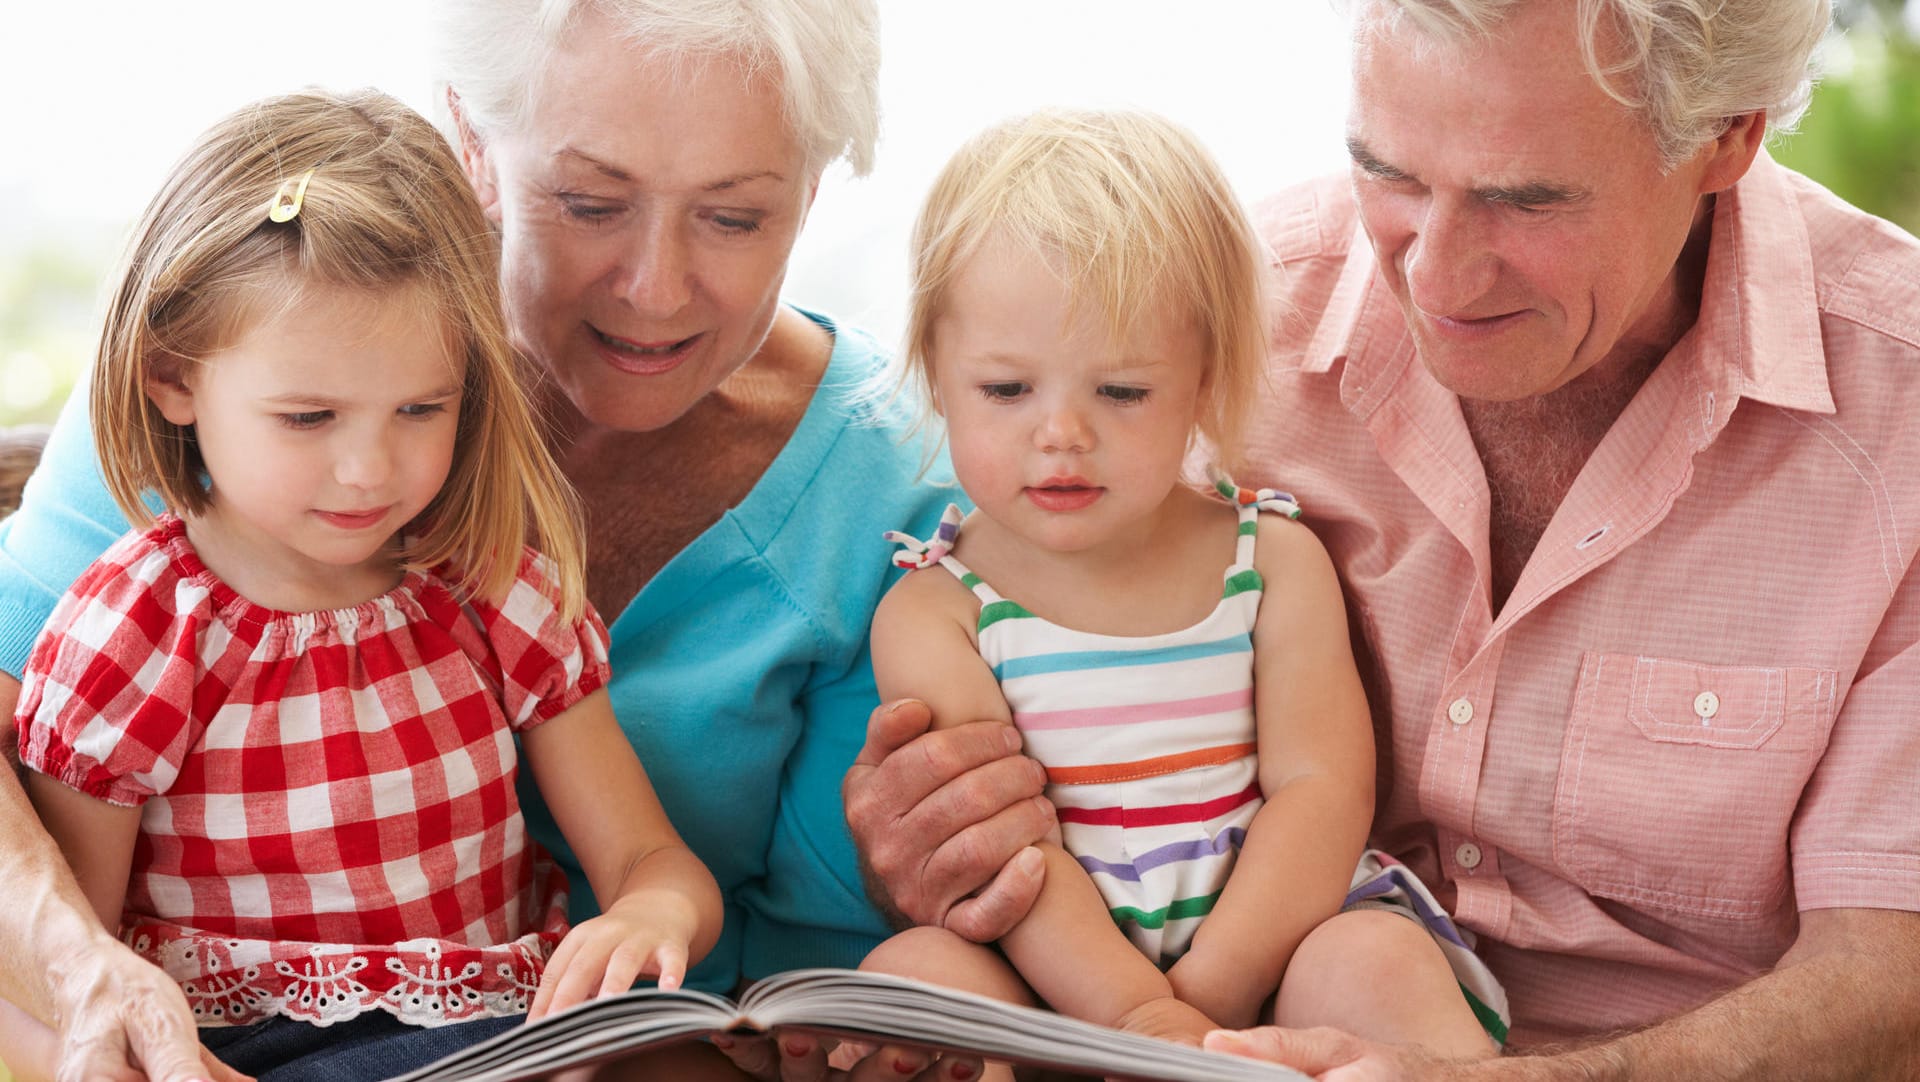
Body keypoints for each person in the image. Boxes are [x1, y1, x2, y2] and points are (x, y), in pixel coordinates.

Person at [846, 0, 1920, 1077]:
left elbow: (1890, 984)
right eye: (1391, 175)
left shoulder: (1900, 411)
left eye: (1523, 199)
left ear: (1727, 136)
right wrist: (950, 837)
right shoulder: (1192, 319)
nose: (1435, 280)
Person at [0, 2, 952, 1078]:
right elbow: (68, 919)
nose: (655, 286)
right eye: (591, 200)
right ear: (473, 144)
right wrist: (84, 989)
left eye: (734, 217)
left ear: (813, 190)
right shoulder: (203, 435)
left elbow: (790, 946)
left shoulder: (897, 491)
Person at [9, 87, 724, 1081]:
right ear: (174, 377)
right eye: (309, 417)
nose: (370, 470)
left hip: (507, 1032)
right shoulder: (138, 630)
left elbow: (652, 859)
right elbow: (69, 961)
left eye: (421, 407)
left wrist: (654, 909)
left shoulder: (490, 589)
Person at [855, 108, 1502, 1066]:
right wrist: (1133, 1021)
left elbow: (1321, 791)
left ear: (1204, 381)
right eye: (1005, 391)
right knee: (910, 982)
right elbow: (1002, 840)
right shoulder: (935, 610)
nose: (1062, 433)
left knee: (1373, 962)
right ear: (937, 378)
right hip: (1048, 963)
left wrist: (1202, 1002)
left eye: (1121, 392)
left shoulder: (1269, 558)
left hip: (1275, 948)